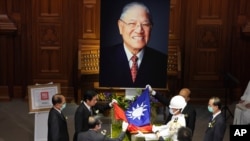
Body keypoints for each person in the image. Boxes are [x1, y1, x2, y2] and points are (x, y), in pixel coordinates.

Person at [99, 1, 167, 88]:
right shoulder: (103, 58)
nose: (139, 30)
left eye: (145, 24)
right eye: (132, 23)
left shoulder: (162, 61)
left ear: (151, 28)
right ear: (120, 26)